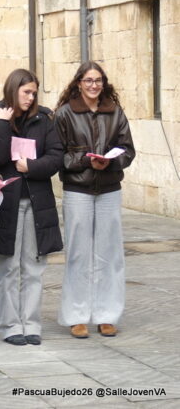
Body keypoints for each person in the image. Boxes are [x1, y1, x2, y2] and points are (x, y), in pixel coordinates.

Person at [0, 69, 63, 346]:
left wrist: (32, 166)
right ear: (13, 89)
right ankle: (10, 326)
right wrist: (3, 124)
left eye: (34, 93)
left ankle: (32, 324)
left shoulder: (44, 119)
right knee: (8, 267)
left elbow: (56, 157)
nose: (30, 98)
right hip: (6, 203)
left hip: (37, 202)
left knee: (34, 267)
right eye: (26, 92)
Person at [55, 61, 135, 338]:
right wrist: (86, 160)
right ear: (79, 83)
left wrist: (111, 162)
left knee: (110, 253)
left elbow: (128, 150)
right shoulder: (64, 114)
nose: (93, 85)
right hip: (77, 190)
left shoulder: (115, 111)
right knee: (78, 253)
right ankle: (77, 316)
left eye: (98, 80)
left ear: (104, 83)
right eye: (88, 80)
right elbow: (57, 155)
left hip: (109, 189)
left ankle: (107, 315)